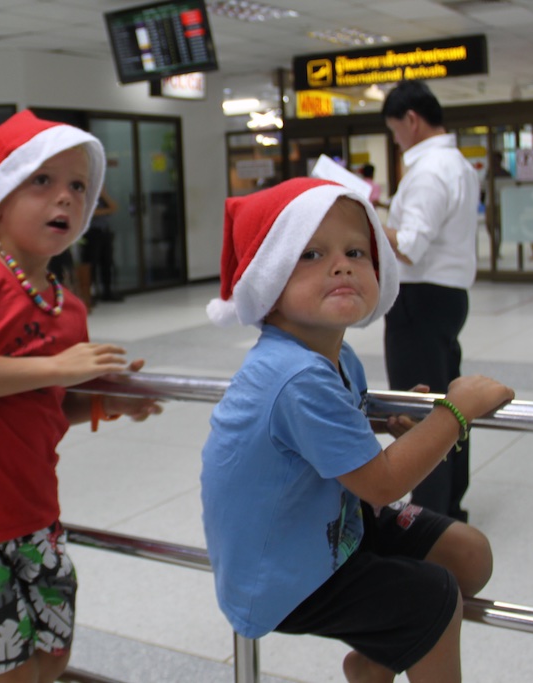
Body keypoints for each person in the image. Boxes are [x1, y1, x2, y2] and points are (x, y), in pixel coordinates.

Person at [201, 177, 514, 682]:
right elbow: (383, 483)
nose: (341, 264)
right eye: (309, 254)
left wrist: (380, 421)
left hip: (333, 529)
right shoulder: (295, 375)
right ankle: (388, 654)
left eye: (354, 250)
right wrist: (454, 412)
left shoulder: (336, 358)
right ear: (269, 280)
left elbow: (324, 432)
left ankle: (371, 664)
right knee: (433, 602)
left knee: (469, 556)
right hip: (282, 572)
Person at [0, 110, 162, 683]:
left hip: (36, 515)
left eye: (77, 186)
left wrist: (106, 402)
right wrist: (55, 365)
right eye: (41, 181)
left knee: (52, 660)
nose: (63, 199)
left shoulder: (70, 310)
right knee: (10, 675)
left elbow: (47, 404)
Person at [381, 81, 481, 522]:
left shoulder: (426, 170)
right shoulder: (459, 164)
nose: (396, 140)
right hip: (449, 297)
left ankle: (430, 517)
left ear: (411, 120)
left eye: (394, 131)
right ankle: (451, 502)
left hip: (418, 299)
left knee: (419, 410)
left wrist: (364, 220)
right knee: (448, 404)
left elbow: (409, 245)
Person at [81, 188, 123, 302]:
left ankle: (107, 291)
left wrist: (104, 194)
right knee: (91, 263)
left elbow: (114, 207)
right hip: (91, 233)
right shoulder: (86, 196)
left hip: (104, 231)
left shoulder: (102, 198)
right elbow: (89, 212)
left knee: (107, 262)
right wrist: (107, 210)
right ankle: (91, 294)